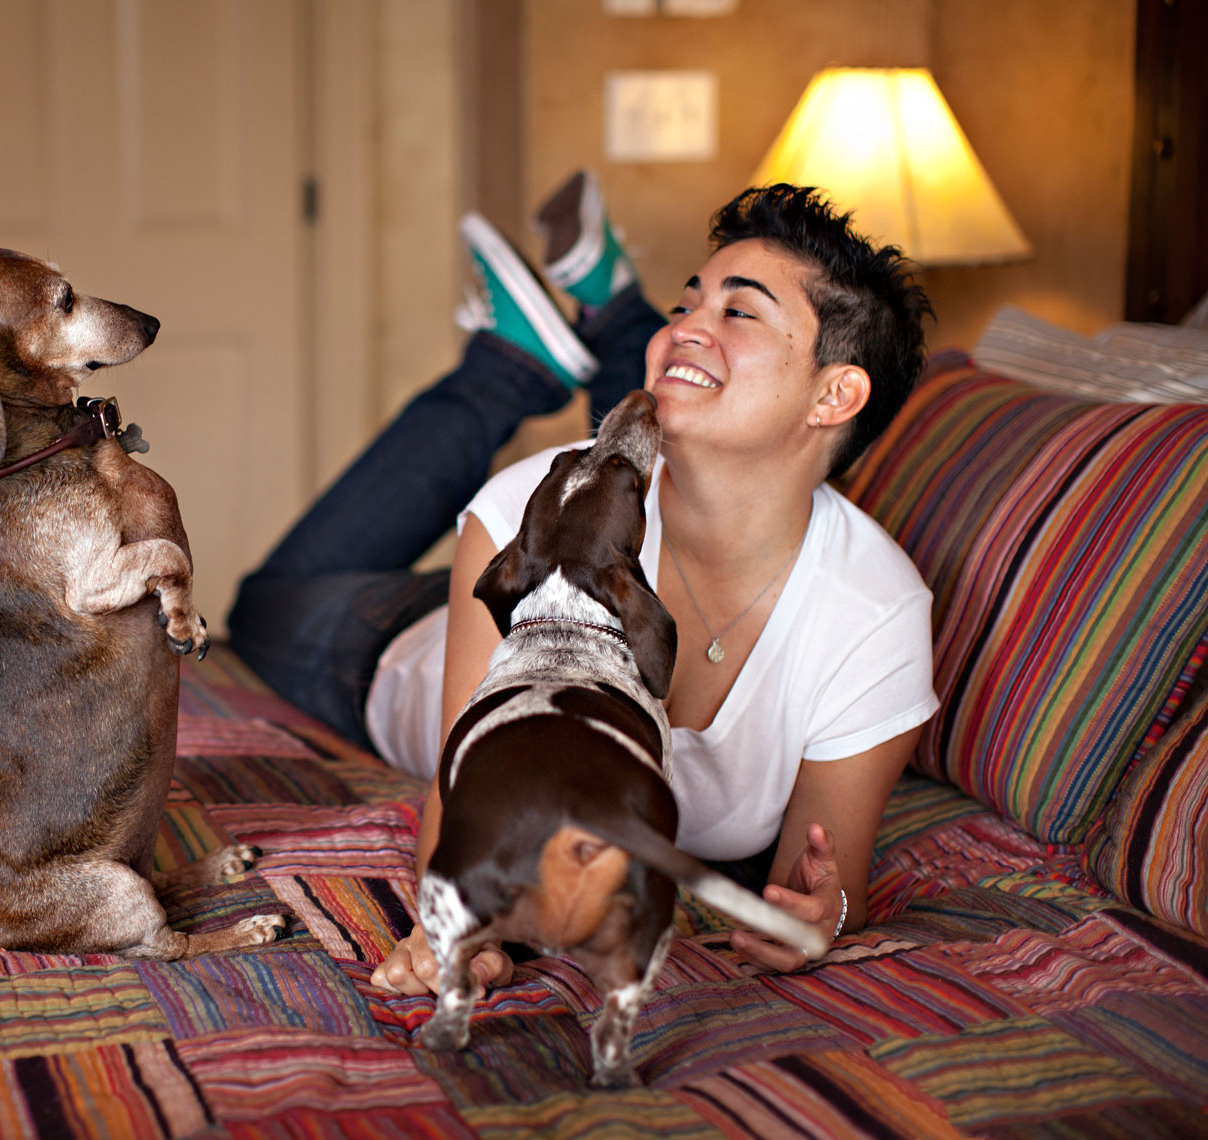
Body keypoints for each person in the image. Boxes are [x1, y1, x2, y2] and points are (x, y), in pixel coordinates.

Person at [228, 174, 938, 990]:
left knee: (625, 449)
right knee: (263, 606)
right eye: (682, 306)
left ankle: (597, 310)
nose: (686, 329)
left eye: (738, 313)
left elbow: (822, 883)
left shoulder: (873, 613)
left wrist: (818, 920)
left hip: (570, 567)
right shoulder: (530, 502)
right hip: (403, 640)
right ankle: (508, 368)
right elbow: (461, 796)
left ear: (836, 394)